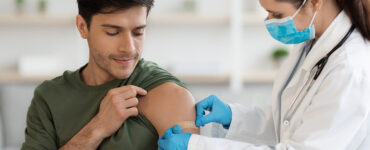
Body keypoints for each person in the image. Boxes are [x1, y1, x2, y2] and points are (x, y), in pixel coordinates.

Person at [158, 0, 370, 149]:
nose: (269, 21)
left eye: (277, 14)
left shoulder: (350, 68)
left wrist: (197, 146)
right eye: (267, 12)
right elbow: (291, 123)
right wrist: (234, 118)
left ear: (315, 2)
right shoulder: (311, 41)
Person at [21, 0, 200, 149]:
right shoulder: (48, 97)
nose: (128, 48)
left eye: (138, 32)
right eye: (113, 32)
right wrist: (97, 128)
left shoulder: (170, 94)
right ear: (83, 27)